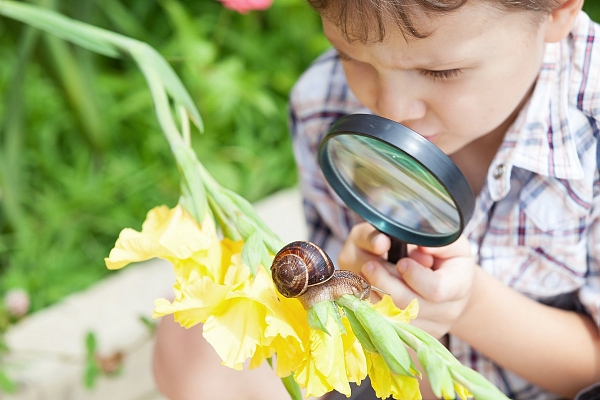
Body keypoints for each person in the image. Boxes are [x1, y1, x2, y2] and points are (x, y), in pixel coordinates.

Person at [153, 0, 600, 398]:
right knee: (190, 344)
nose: (392, 107)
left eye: (441, 71)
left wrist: (469, 307)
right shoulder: (323, 102)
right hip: (401, 373)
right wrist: (348, 281)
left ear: (558, 9)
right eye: (352, 57)